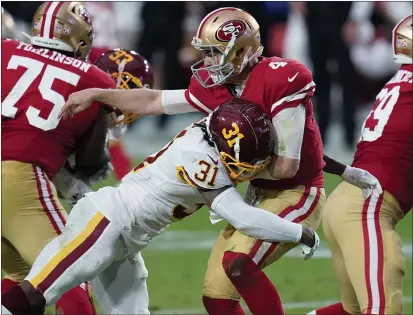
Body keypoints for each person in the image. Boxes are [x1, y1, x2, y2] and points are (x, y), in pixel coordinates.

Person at [58, 7, 382, 315]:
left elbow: (287, 164)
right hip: (258, 193)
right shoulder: (216, 86)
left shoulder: (280, 78)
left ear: (241, 51)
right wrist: (99, 94)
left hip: (295, 194)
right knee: (216, 298)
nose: (207, 61)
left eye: (214, 52)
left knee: (238, 261)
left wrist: (220, 167)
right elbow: (155, 99)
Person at [2, 100, 321, 315]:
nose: (248, 171)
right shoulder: (201, 159)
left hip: (126, 242)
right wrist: (300, 232)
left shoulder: (211, 134)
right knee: (35, 294)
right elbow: (242, 217)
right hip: (105, 223)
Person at [1, 2, 116, 314]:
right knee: (70, 277)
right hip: (18, 181)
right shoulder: (96, 79)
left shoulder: (6, 50)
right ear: (80, 38)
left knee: (22, 278)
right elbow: (90, 161)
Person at [307, 15, 413, 315]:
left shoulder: (400, 82)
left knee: (353, 310)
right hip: (366, 208)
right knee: (383, 309)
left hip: (349, 202)